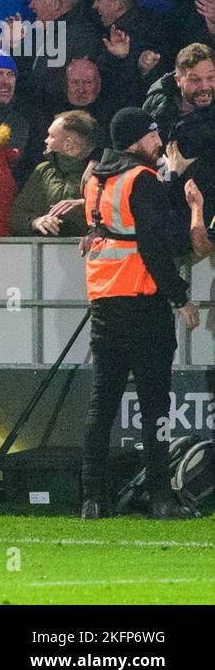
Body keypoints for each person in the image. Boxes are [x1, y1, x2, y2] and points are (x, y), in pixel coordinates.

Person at [80, 108, 202, 520]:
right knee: (155, 408)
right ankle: (160, 498)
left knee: (102, 406)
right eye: (153, 135)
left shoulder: (97, 176)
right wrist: (180, 297)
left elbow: (112, 229)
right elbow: (155, 243)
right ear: (137, 139)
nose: (158, 142)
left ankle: (93, 499)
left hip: (104, 300)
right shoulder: (141, 179)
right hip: (143, 301)